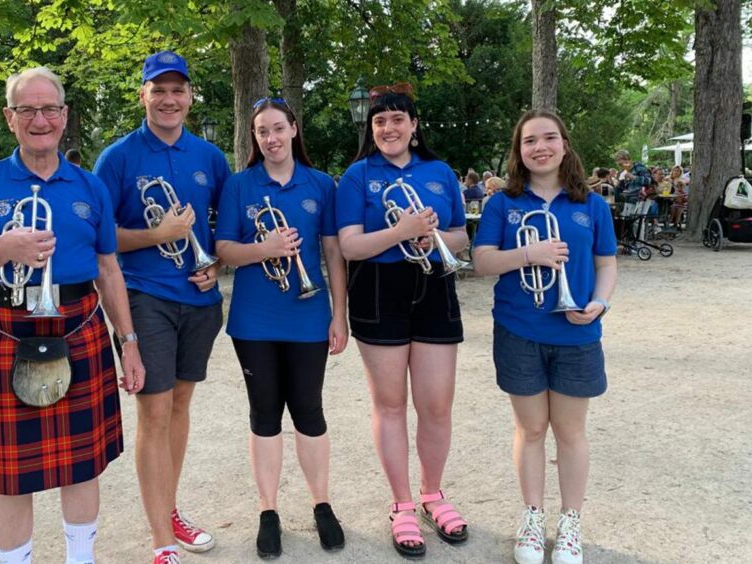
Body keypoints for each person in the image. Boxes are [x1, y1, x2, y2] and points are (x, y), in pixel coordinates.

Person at [0, 67, 145, 564]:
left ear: (64, 115)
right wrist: (2, 247)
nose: (39, 119)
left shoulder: (90, 186)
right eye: (27, 110)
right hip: (5, 328)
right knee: (11, 477)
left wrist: (129, 342)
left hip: (78, 324)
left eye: (49, 109)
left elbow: (108, 270)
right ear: (10, 118)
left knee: (82, 465)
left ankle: (82, 559)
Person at [93, 50, 229, 564]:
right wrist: (158, 234)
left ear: (190, 96)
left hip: (199, 300)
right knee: (153, 410)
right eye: (159, 90)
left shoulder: (211, 157)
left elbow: (225, 228)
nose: (169, 99)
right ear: (143, 95)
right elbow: (99, 239)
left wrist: (216, 262)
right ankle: (161, 540)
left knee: (179, 406)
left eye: (178, 90)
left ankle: (169, 508)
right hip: (145, 297)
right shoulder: (118, 157)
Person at [472, 109, 617, 564]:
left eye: (548, 138)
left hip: (577, 332)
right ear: (519, 151)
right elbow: (482, 262)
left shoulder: (591, 204)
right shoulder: (502, 203)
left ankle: (570, 521)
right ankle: (532, 517)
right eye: (529, 141)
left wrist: (600, 302)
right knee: (531, 428)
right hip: (519, 329)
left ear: (564, 144)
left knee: (571, 432)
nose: (540, 147)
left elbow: (606, 264)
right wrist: (530, 252)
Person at [335, 83, 470, 559]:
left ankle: (433, 494)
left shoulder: (439, 172)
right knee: (390, 405)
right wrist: (401, 232)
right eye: (379, 122)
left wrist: (432, 239)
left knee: (436, 405)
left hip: (434, 284)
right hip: (378, 289)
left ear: (414, 126)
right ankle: (402, 504)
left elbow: (460, 236)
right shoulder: (357, 175)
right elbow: (349, 246)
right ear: (372, 130)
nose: (388, 128)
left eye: (397, 120)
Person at [214, 98, 348, 559]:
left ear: (293, 129)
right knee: (264, 414)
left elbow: (333, 252)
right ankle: (267, 510)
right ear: (254, 138)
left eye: (277, 128)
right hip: (254, 320)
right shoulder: (238, 185)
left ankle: (321, 503)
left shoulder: (320, 184)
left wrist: (339, 313)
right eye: (261, 132)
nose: (270, 138)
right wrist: (265, 248)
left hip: (309, 316)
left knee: (309, 411)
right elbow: (225, 251)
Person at [614, 150, 651, 216]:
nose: (620, 166)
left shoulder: (638, 167)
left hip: (639, 199)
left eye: (621, 164)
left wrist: (634, 177)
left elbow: (648, 181)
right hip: (628, 199)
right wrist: (618, 185)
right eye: (619, 164)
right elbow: (621, 188)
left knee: (634, 223)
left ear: (627, 160)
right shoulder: (623, 171)